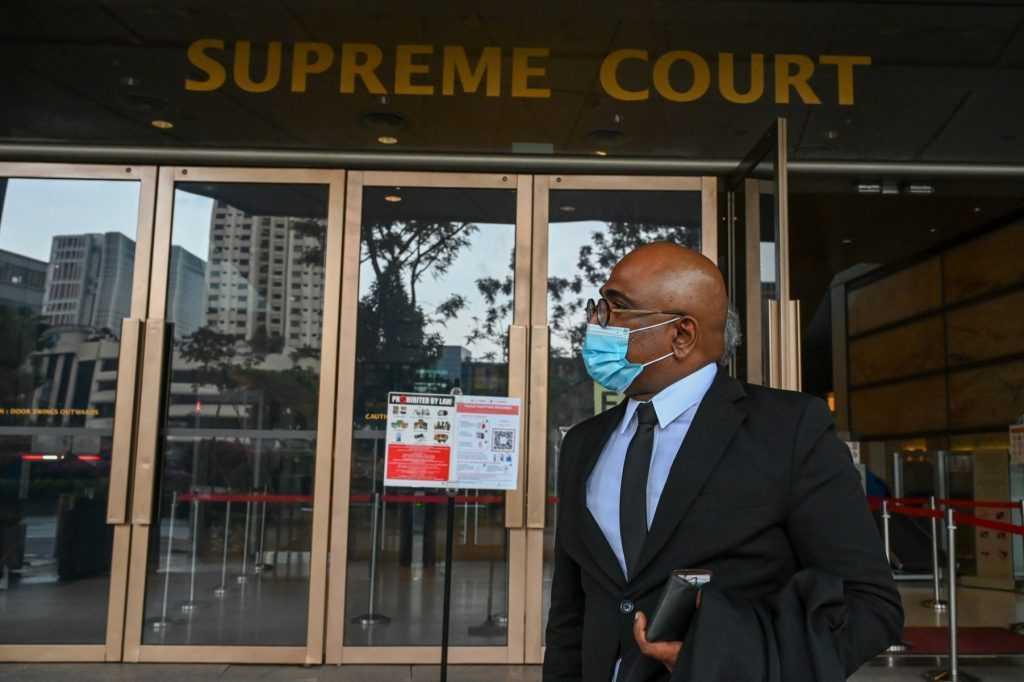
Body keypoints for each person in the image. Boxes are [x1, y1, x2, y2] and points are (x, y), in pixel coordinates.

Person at [543, 243, 903, 682]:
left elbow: (869, 604)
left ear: (682, 335)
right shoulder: (585, 444)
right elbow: (570, 613)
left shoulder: (788, 430)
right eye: (600, 307)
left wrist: (724, 659)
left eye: (617, 309)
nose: (597, 323)